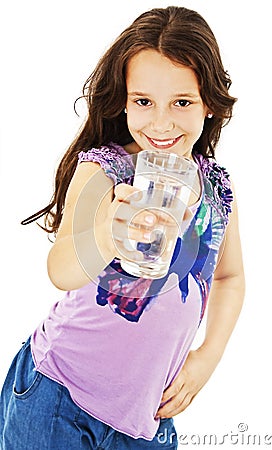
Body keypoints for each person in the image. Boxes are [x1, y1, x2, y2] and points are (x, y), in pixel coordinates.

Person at [0, 6, 245, 449]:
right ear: (125, 100)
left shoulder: (216, 190)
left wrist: (207, 359)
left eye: (182, 102)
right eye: (143, 101)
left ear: (209, 102)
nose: (161, 122)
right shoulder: (107, 170)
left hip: (147, 421)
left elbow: (230, 278)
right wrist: (107, 234)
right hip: (57, 398)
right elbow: (61, 270)